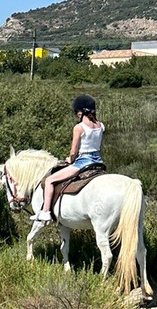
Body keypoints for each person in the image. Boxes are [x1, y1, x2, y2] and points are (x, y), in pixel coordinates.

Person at [32, 94, 104, 222]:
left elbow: (73, 150)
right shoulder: (101, 126)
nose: (76, 114)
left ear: (81, 112)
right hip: (98, 162)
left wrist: (70, 159)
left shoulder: (79, 127)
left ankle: (45, 212)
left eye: (77, 112)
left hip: (83, 162)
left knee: (49, 180)